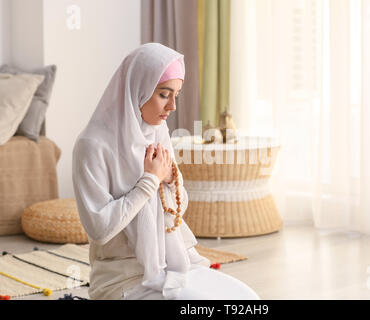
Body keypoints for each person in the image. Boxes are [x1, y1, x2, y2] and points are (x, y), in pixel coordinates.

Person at [72, 43, 260, 300]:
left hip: (174, 262)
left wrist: (171, 182)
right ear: (138, 89)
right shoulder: (92, 145)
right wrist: (149, 181)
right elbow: (100, 230)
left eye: (177, 95)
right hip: (122, 277)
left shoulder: (157, 132)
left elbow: (176, 213)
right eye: (164, 94)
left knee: (246, 300)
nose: (172, 106)